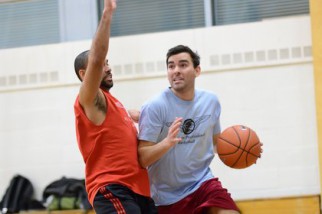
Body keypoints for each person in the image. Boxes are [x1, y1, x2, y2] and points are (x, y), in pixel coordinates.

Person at [73, 0, 157, 213]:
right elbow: (96, 58)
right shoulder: (90, 98)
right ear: (85, 75)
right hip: (112, 187)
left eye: (108, 63)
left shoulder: (116, 104)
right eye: (104, 65)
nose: (108, 68)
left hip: (139, 190)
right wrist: (107, 14)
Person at [138, 45, 240, 214]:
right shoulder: (154, 106)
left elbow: (217, 145)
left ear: (197, 70)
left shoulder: (211, 101)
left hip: (203, 184)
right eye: (171, 66)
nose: (176, 70)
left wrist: (242, 150)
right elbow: (142, 158)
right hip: (165, 197)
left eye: (183, 65)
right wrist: (167, 143)